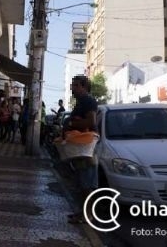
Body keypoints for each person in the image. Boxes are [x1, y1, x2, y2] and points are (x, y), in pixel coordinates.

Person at [64, 75, 98, 225]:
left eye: (76, 85)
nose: (73, 88)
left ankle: (88, 215)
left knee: (86, 184)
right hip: (79, 148)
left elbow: (91, 121)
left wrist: (71, 123)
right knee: (80, 183)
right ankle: (82, 212)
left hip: (86, 148)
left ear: (84, 87)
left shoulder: (88, 101)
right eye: (72, 85)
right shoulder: (80, 102)